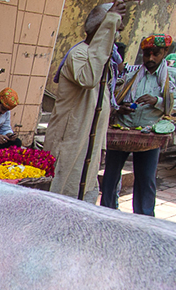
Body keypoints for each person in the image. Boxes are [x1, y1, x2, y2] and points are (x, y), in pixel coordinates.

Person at [45, 0, 126, 204]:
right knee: (59, 196)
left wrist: (101, 146)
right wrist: (110, 22)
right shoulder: (79, 54)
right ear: (102, 30)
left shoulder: (102, 61)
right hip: (69, 144)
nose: (114, 38)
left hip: (87, 150)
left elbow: (102, 107)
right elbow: (88, 79)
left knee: (82, 197)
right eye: (112, 32)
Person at [101, 34, 176, 216]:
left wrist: (157, 101)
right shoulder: (132, 73)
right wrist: (120, 108)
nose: (150, 59)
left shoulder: (174, 75)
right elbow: (115, 97)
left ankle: (144, 217)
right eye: (147, 55)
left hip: (149, 134)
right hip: (124, 129)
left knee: (146, 177)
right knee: (110, 175)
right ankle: (107, 212)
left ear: (165, 52)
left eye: (155, 54)